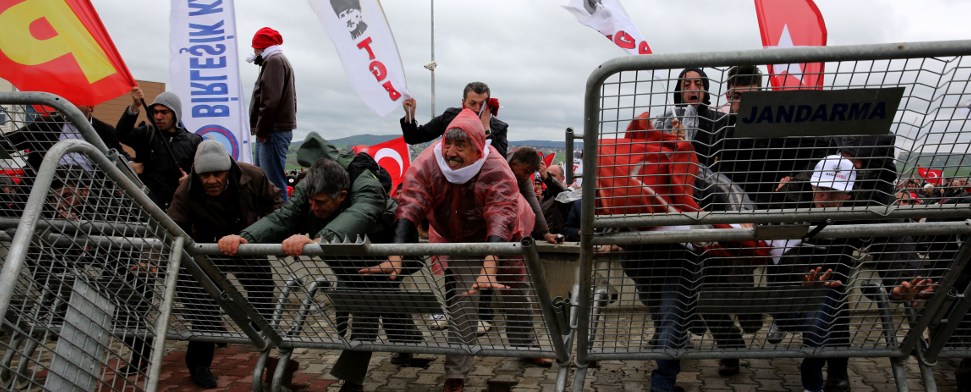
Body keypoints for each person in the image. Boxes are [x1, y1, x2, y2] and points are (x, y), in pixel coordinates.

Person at [362, 108, 549, 392]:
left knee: (515, 292)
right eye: (448, 143)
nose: (451, 152)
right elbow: (410, 205)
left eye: (461, 145)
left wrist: (490, 264)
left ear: (477, 148)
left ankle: (526, 345)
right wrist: (395, 253)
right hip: (459, 235)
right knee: (464, 300)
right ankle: (456, 373)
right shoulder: (428, 163)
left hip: (505, 233)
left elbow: (501, 215)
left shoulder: (496, 168)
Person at [218, 133, 421, 392]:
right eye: (311, 201)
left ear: (342, 195)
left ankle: (352, 383)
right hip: (351, 257)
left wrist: (320, 240)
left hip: (389, 251)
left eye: (321, 203)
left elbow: (361, 212)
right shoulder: (312, 184)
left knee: (367, 308)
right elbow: (285, 216)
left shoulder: (366, 187)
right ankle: (409, 342)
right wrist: (246, 237)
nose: (313, 207)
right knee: (384, 299)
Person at [166, 141, 284, 387]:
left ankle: (264, 342)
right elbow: (171, 229)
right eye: (205, 175)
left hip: (247, 244)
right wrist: (154, 262)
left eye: (217, 174)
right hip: (206, 251)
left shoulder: (254, 176)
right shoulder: (185, 191)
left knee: (263, 300)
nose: (211, 181)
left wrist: (259, 234)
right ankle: (199, 366)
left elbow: (277, 207)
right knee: (204, 311)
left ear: (228, 171)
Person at [117, 87, 203, 210]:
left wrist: (190, 180)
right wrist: (135, 106)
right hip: (146, 208)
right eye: (155, 112)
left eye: (164, 112)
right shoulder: (147, 134)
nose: (158, 116)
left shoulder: (193, 141)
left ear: (175, 114)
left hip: (178, 210)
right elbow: (121, 134)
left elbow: (204, 173)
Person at [249, 26, 297, 201]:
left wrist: (261, 130)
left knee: (273, 183)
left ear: (260, 46)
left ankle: (281, 216)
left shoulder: (274, 62)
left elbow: (270, 100)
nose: (253, 51)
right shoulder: (276, 60)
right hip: (272, 130)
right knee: (264, 180)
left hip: (272, 131)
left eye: (254, 47)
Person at [400, 81, 509, 158]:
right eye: (472, 103)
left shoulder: (499, 127)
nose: (477, 109)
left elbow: (501, 158)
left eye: (481, 105)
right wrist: (410, 115)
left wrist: (486, 129)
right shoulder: (450, 117)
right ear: (463, 102)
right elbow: (413, 138)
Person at [652, 67, 729, 169]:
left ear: (705, 90)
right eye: (686, 85)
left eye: (698, 84)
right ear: (679, 91)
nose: (693, 89)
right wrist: (671, 139)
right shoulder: (667, 121)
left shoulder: (721, 120)